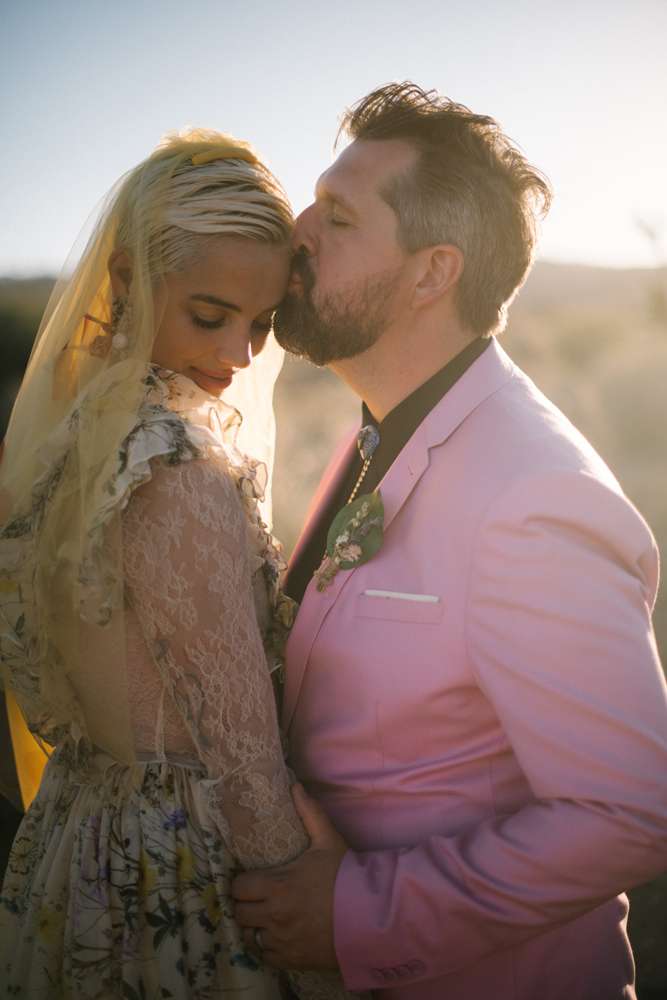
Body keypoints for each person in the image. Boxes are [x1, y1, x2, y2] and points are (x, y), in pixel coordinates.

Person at [232, 83, 667, 999]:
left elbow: (628, 811)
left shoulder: (536, 496)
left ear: (431, 273)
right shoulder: (377, 433)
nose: (295, 232)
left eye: (337, 217)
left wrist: (359, 913)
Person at [0, 129, 351, 1000]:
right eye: (208, 315)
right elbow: (241, 754)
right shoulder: (177, 468)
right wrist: (316, 928)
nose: (239, 356)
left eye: (260, 324)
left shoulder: (72, 443)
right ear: (124, 278)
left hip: (80, 842)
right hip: (180, 869)